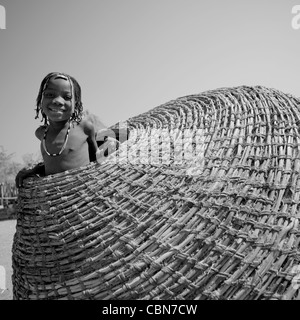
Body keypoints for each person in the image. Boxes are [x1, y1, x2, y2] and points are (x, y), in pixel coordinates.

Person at [16, 72, 102, 188]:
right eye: (50, 95)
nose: (58, 101)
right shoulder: (41, 134)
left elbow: (96, 159)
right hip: (56, 199)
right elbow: (53, 164)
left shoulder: (84, 128)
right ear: (40, 100)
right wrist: (34, 170)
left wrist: (110, 149)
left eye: (67, 97)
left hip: (82, 193)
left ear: (76, 104)